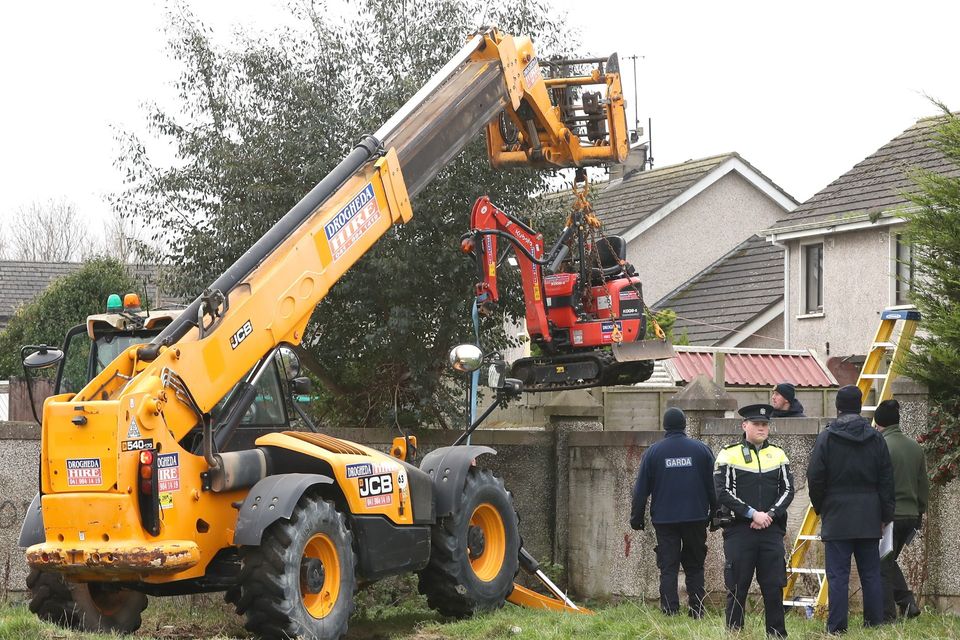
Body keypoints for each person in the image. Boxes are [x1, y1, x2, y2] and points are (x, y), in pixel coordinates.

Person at [807, 385, 895, 634]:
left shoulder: (827, 436)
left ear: (837, 406)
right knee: (871, 574)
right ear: (860, 405)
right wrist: (885, 515)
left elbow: (815, 477)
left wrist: (821, 506)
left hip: (836, 514)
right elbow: (887, 479)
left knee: (837, 576)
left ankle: (836, 628)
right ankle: (874, 623)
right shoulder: (876, 437)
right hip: (869, 515)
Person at [714, 403, 795, 638]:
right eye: (757, 424)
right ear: (744, 425)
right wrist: (752, 514)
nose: (762, 428)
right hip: (740, 531)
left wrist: (769, 515)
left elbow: (788, 490)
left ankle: (776, 634)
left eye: (765, 424)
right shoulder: (728, 454)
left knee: (773, 587)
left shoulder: (778, 454)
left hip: (770, 530)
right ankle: (734, 633)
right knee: (737, 587)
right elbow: (721, 492)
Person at [630, 407, 717, 618]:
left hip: (665, 520)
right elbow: (714, 486)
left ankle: (670, 610)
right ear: (684, 424)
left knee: (668, 567)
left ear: (665, 426)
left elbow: (641, 490)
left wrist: (636, 518)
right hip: (696, 517)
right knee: (695, 566)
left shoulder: (653, 452)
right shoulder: (701, 450)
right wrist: (715, 515)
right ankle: (697, 610)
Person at [874, 399, 927, 621]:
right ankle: (907, 604)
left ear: (878, 423)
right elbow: (923, 486)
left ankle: (889, 616)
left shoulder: (880, 446)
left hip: (889, 517)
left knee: (881, 566)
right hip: (911, 515)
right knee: (888, 561)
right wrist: (919, 514)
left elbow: (876, 484)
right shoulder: (915, 447)